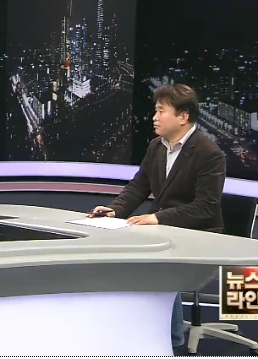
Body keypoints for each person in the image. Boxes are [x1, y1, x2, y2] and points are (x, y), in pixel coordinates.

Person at [88, 83, 226, 352]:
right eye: (155, 111)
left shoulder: (209, 153)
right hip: (166, 230)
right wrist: (115, 210)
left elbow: (206, 207)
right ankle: (143, 331)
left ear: (183, 117)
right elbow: (138, 186)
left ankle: (170, 340)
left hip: (201, 234)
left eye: (161, 111)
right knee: (131, 255)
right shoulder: (156, 147)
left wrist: (159, 218)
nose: (154, 117)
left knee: (159, 264)